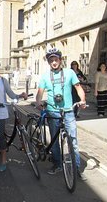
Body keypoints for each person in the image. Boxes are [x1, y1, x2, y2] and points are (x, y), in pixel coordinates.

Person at [35, 48, 87, 181]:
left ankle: (75, 168)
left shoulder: (69, 73)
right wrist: (38, 102)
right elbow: (40, 92)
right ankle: (57, 164)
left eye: (56, 59)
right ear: (48, 62)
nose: (54, 62)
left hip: (68, 111)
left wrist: (82, 101)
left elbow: (78, 88)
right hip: (53, 111)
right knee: (54, 140)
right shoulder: (46, 76)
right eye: (51, 60)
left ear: (60, 60)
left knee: (73, 141)